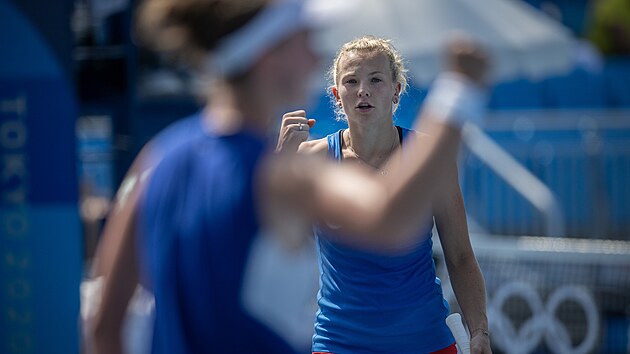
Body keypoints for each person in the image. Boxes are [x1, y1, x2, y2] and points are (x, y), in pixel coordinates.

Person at [87, 0, 491, 352]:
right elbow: (390, 220)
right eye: (305, 42)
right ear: (268, 55)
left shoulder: (156, 159)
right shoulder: (281, 174)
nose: (316, 60)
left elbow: (105, 327)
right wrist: (457, 93)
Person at [275, 36, 491, 354]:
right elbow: (279, 245)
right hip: (339, 343)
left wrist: (480, 331)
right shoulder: (311, 158)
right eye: (351, 81)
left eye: (376, 79)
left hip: (427, 342)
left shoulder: (427, 156)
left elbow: (459, 255)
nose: (363, 90)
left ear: (396, 91)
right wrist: (280, 164)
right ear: (337, 95)